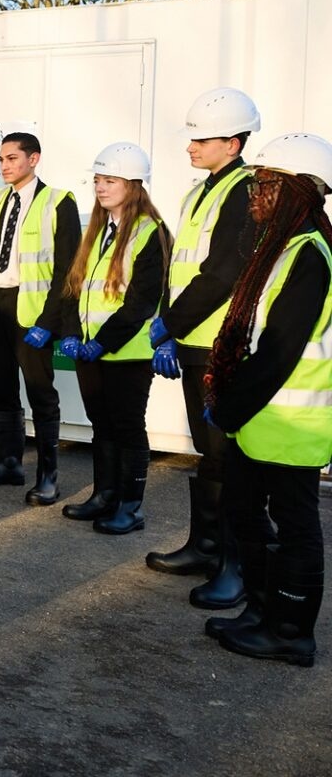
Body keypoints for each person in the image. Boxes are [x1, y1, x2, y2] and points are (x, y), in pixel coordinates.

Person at [200, 133, 332, 667]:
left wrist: (226, 408)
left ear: (298, 191)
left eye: (266, 184)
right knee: (244, 511)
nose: (255, 193)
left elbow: (279, 350)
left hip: (291, 423)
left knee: (295, 525)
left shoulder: (311, 255)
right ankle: (261, 610)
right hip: (260, 419)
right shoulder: (280, 247)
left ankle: (291, 632)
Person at [146, 88, 261, 611]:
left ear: (233, 144)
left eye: (202, 139)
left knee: (227, 453)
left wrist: (168, 323)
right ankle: (206, 546)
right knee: (207, 448)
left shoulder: (245, 191)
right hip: (195, 340)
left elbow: (222, 272)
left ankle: (236, 565)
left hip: (222, 342)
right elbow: (182, 267)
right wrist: (171, 326)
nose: (190, 146)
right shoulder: (200, 192)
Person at [0, 132, 80, 504]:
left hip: (32, 312)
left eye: (12, 158)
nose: (5, 165)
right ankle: (7, 463)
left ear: (34, 159)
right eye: (1, 159)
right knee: (2, 389)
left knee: (41, 393)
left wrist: (49, 322)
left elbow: (68, 270)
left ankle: (48, 477)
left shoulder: (58, 201)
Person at [57, 143, 169, 534]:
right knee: (101, 425)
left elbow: (141, 302)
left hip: (127, 353)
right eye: (97, 180)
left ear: (133, 184)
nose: (100, 188)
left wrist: (102, 342)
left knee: (127, 428)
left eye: (110, 180)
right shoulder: (98, 230)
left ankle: (130, 507)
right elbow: (74, 288)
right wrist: (71, 333)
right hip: (91, 352)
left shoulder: (150, 232)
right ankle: (104, 496)